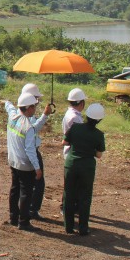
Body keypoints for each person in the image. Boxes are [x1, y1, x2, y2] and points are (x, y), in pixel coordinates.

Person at [4, 92, 49, 231]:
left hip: (13, 161)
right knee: (26, 193)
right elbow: (30, 150)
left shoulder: (13, 117)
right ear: (28, 108)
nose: (35, 109)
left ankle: (13, 217)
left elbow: (9, 107)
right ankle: (23, 222)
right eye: (34, 107)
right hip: (24, 165)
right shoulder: (28, 127)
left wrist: (6, 101)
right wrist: (37, 168)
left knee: (14, 189)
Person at [62, 103, 106, 236]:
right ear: (99, 120)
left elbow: (65, 143)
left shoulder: (75, 127)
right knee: (85, 197)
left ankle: (68, 227)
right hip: (87, 167)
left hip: (71, 164)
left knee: (68, 194)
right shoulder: (99, 134)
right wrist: (89, 150)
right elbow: (99, 155)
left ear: (87, 115)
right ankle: (83, 228)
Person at [19, 83, 52, 220]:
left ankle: (25, 210)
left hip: (22, 153)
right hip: (31, 151)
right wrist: (45, 116)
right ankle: (32, 210)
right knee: (37, 184)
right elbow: (33, 131)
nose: (38, 102)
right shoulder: (28, 115)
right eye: (36, 99)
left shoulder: (21, 113)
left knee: (24, 184)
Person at [61, 88, 87, 216]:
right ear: (81, 103)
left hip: (70, 151)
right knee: (72, 183)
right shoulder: (75, 118)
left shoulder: (70, 114)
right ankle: (66, 207)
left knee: (72, 182)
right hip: (73, 152)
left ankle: (69, 206)